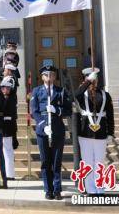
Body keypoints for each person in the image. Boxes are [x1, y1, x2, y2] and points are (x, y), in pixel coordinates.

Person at [30, 65, 72, 200]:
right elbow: (34, 111)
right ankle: (48, 190)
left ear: (55, 77)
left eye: (52, 75)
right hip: (43, 130)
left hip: (58, 129)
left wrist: (57, 110)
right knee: (45, 161)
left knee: (56, 161)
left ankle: (57, 189)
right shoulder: (36, 91)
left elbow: (68, 110)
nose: (49, 77)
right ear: (42, 76)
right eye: (46, 75)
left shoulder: (61, 91)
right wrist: (42, 124)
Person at [74, 67, 114, 196]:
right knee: (87, 161)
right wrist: (87, 83)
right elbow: (76, 95)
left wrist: (110, 133)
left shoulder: (104, 94)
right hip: (85, 131)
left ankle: (99, 187)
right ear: (85, 78)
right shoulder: (83, 93)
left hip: (101, 132)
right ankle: (90, 188)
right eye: (90, 78)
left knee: (99, 161)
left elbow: (110, 115)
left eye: (94, 79)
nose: (93, 81)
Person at [1, 64, 18, 181]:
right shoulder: (8, 79)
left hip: (8, 124)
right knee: (6, 149)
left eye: (5, 69)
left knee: (8, 150)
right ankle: (8, 173)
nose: (3, 89)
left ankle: (10, 174)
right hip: (7, 124)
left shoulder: (10, 80)